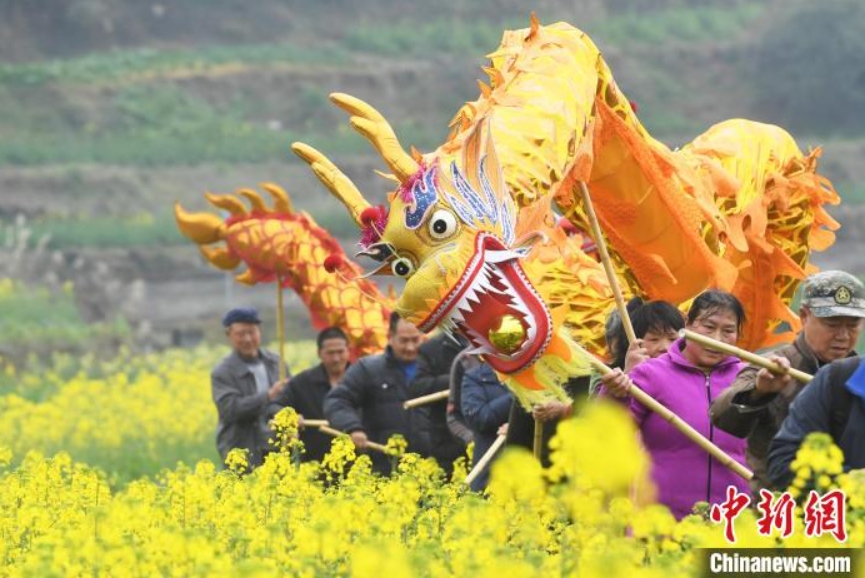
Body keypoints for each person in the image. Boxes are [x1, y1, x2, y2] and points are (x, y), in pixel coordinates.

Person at [711, 270, 864, 492]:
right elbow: (720, 415)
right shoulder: (774, 366)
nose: (843, 335)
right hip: (780, 507)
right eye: (832, 323)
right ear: (804, 316)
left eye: (852, 325)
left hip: (849, 511)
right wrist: (758, 392)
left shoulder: (858, 376)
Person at [602, 290, 749, 519]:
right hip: (661, 520)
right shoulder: (651, 374)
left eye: (728, 331)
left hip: (733, 521)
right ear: (688, 324)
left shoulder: (749, 379)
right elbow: (608, 432)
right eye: (709, 327)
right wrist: (615, 394)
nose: (717, 339)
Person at [324, 312, 430, 473]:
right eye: (404, 340)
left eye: (415, 340)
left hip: (430, 467)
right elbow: (337, 401)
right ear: (390, 336)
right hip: (383, 467)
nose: (410, 347)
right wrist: (353, 428)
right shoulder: (368, 369)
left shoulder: (435, 367)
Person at [768, 355, 865, 489]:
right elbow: (784, 463)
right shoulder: (836, 378)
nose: (843, 336)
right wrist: (853, 485)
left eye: (851, 331)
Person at [211, 307, 290, 469]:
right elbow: (230, 409)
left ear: (259, 332)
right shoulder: (223, 372)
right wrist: (268, 395)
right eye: (240, 334)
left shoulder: (276, 363)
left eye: (252, 332)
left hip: (275, 447)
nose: (247, 339)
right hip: (241, 449)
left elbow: (291, 399)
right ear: (229, 336)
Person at [268, 327, 350, 462]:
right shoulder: (303, 382)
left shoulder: (361, 379)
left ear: (348, 351)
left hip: (354, 465)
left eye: (340, 352)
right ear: (319, 353)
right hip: (313, 464)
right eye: (330, 353)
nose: (336, 358)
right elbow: (274, 406)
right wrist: (290, 416)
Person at [412, 332, 470, 475]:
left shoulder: (491, 341)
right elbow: (418, 387)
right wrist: (455, 379)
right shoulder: (431, 348)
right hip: (446, 439)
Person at [461, 362, 513, 491]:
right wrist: (517, 395)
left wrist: (516, 426)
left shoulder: (540, 371)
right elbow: (479, 418)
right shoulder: (477, 376)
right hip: (489, 473)